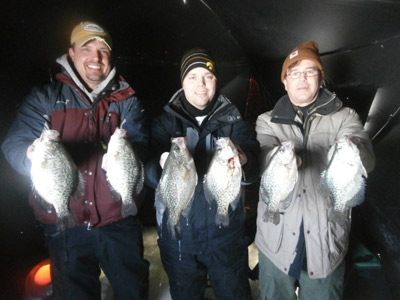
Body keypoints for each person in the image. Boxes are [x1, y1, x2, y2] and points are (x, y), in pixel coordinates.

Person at [2, 21, 149, 299]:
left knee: (133, 290)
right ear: (71, 53)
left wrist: (127, 155)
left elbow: (140, 145)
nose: (96, 58)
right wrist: (30, 156)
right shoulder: (46, 98)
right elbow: (14, 144)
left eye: (103, 51)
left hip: (118, 219)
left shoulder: (126, 99)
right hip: (63, 218)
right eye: (87, 48)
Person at [255, 41, 375, 300]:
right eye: (294, 73)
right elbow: (264, 155)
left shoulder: (345, 117)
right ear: (285, 81)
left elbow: (367, 158)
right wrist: (279, 159)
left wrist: (352, 151)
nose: (302, 79)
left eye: (310, 72)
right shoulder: (266, 121)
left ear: (320, 79)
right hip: (275, 241)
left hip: (326, 241)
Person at [145, 48, 260, 300]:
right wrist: (162, 167)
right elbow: (148, 174)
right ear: (182, 81)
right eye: (193, 76)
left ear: (216, 81)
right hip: (179, 239)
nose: (201, 84)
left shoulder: (234, 118)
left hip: (226, 237)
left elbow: (253, 169)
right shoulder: (165, 121)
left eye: (207, 76)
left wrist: (244, 158)